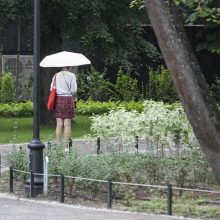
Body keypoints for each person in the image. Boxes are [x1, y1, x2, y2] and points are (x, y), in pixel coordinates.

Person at [50, 66, 77, 149]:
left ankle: (58, 146)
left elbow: (51, 88)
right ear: (70, 66)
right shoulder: (72, 75)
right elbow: (74, 90)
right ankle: (66, 147)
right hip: (68, 99)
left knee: (59, 125)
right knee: (67, 125)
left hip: (59, 99)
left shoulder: (56, 75)